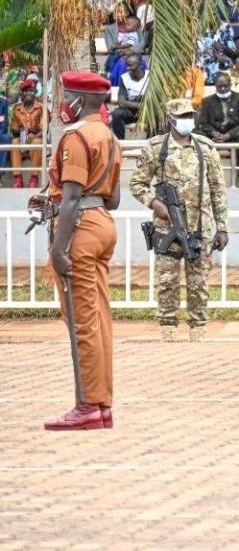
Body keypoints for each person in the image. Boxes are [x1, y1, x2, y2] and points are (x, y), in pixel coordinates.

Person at [35, 72, 122, 430]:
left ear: (79, 100)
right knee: (98, 319)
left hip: (80, 229)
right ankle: (100, 405)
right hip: (102, 220)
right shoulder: (109, 137)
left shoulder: (76, 137)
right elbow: (113, 198)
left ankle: (88, 405)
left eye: (66, 95)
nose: (62, 103)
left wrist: (58, 248)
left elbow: (70, 199)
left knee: (82, 322)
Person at [130, 99, 230, 343]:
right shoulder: (156, 148)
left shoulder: (205, 147)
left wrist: (222, 227)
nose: (187, 120)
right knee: (167, 280)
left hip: (200, 226)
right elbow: (137, 183)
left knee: (199, 281)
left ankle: (198, 329)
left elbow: (218, 188)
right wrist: (154, 203)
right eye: (182, 116)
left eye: (190, 115)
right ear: (170, 119)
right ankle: (168, 329)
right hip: (167, 227)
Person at [196, 72, 239, 186]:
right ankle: (200, 174)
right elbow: (203, 122)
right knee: (197, 133)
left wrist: (228, 135)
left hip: (233, 134)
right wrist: (213, 133)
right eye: (219, 86)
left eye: (225, 86)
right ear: (215, 86)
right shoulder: (207, 101)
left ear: (230, 84)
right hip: (214, 135)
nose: (222, 89)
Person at [110, 54, 150, 139]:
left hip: (147, 112)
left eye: (131, 65)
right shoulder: (124, 78)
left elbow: (153, 100)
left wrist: (131, 101)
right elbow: (121, 103)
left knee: (159, 114)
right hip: (131, 112)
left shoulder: (149, 76)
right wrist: (141, 103)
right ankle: (120, 141)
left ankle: (151, 141)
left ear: (139, 65)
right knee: (116, 114)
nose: (127, 68)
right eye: (127, 65)